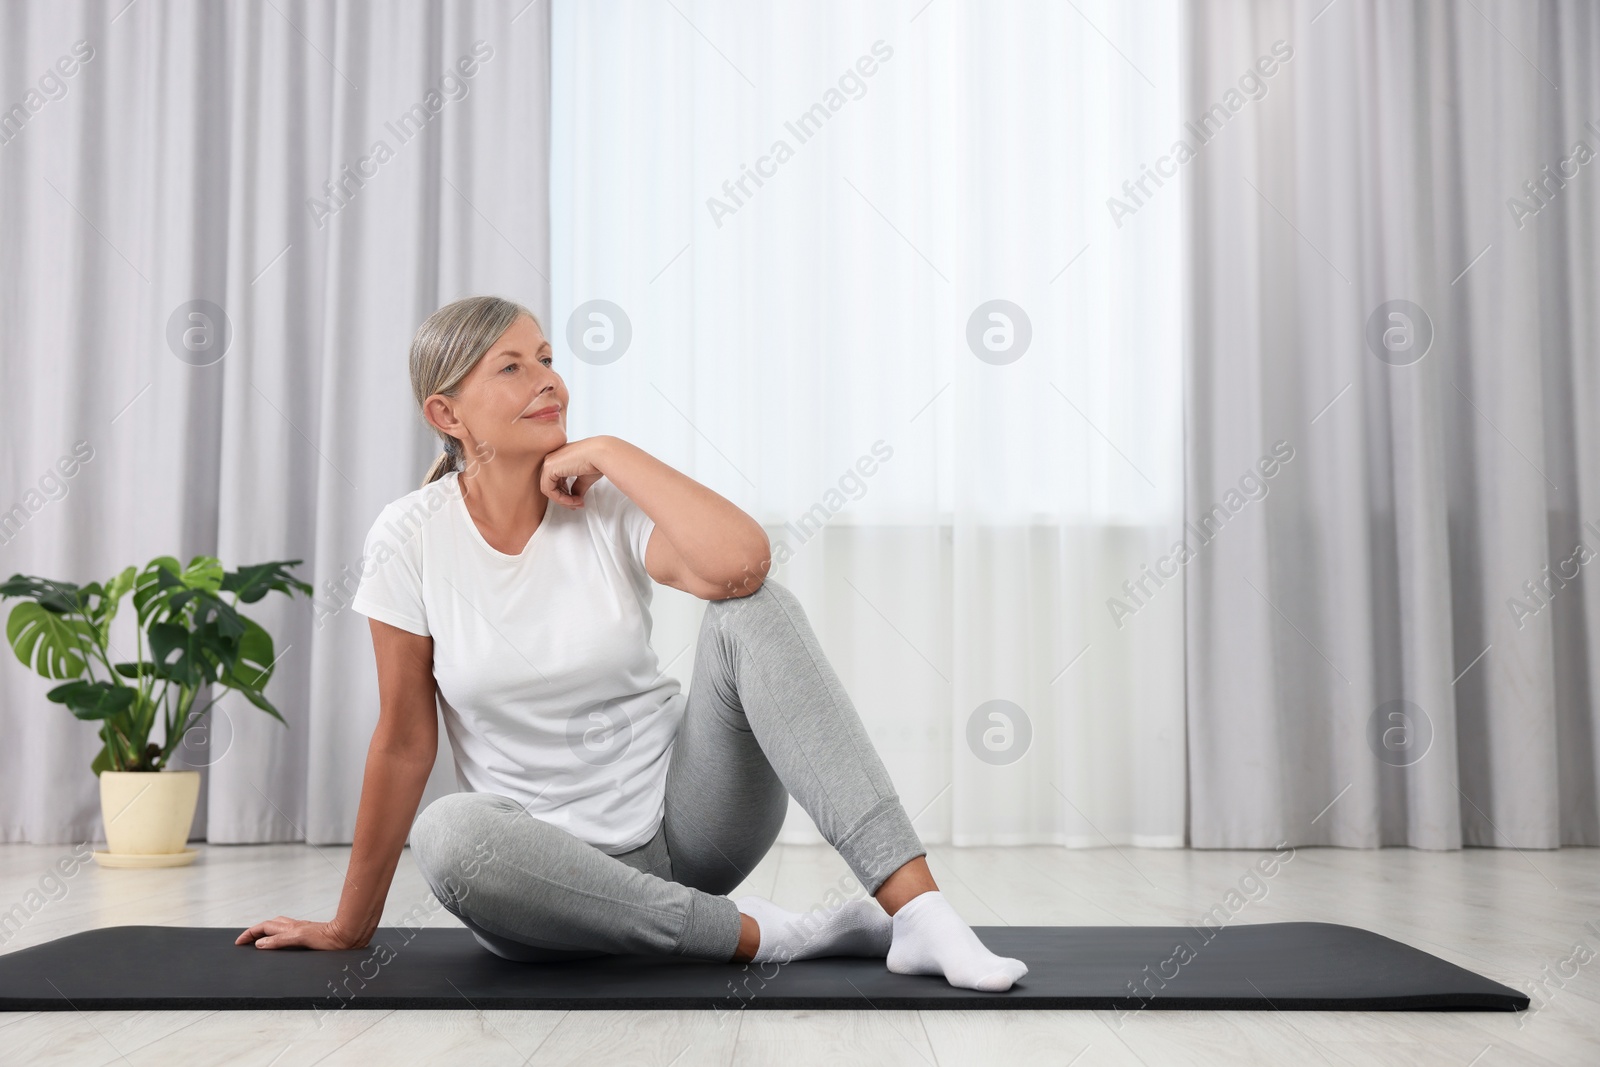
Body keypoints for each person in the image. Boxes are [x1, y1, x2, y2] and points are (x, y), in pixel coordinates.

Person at [236, 295, 1028, 992]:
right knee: (448, 834)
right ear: (447, 414)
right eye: (511, 367)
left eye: (547, 358)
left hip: (689, 830)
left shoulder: (604, 502)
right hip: (542, 885)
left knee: (752, 610)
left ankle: (921, 914)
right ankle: (772, 934)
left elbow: (742, 564)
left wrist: (611, 452)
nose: (548, 379)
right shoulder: (410, 536)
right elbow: (405, 739)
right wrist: (350, 926)